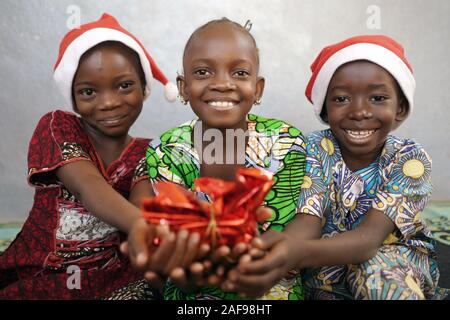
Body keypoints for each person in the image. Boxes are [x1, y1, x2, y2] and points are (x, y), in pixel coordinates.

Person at [222, 35, 449, 300]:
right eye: (341, 99)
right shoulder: (314, 148)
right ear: (325, 110)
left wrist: (297, 252)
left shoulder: (410, 159)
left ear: (399, 108)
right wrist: (279, 249)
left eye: (377, 98)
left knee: (377, 272)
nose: (359, 111)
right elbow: (308, 220)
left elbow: (369, 239)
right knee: (272, 280)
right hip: (324, 264)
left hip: (391, 260)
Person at [0, 13, 179, 299]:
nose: (108, 102)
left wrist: (150, 243)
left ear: (144, 87)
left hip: (111, 274)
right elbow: (87, 186)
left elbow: (143, 204)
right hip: (46, 269)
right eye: (88, 91)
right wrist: (142, 225)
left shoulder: (150, 151)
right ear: (72, 96)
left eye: (124, 85)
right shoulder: (58, 126)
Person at [126, 18, 307, 300]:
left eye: (239, 73)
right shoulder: (167, 150)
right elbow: (177, 244)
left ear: (257, 89)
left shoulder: (284, 143)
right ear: (183, 88)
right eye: (203, 72)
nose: (222, 84)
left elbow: (281, 239)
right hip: (193, 287)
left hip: (269, 283)